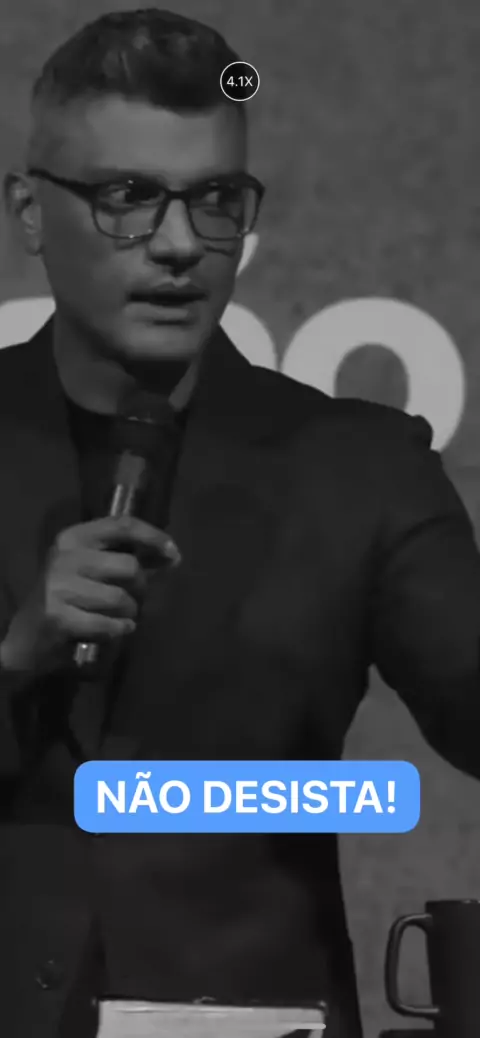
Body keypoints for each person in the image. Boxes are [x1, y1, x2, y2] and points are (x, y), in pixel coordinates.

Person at [1, 8, 480, 1038]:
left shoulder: (360, 468)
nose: (181, 245)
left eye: (216, 200)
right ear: (30, 212)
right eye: (129, 198)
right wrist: (12, 658)